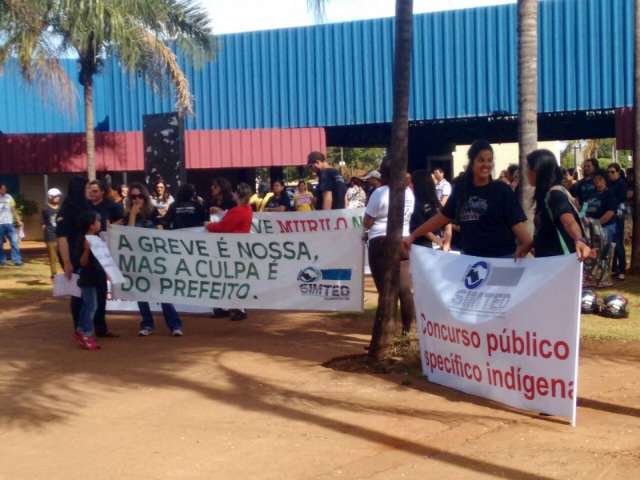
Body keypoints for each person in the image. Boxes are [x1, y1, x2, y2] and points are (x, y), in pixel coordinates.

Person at [406, 140, 532, 258]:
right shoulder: (461, 189)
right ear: (472, 162)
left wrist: (526, 243)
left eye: (490, 160)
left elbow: (516, 222)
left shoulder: (502, 190)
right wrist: (413, 235)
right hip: (470, 260)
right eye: (481, 160)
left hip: (500, 258)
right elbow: (442, 217)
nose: (486, 165)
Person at [364, 161, 415, 335]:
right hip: (403, 241)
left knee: (385, 291)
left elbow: (367, 222)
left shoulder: (379, 192)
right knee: (405, 289)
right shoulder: (408, 192)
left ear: (384, 174)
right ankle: (408, 332)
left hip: (380, 241)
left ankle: (385, 335)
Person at [127, 183, 183, 336]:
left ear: (145, 197)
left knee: (162, 293)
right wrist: (132, 215)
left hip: (155, 260)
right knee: (141, 294)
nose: (137, 199)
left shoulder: (153, 212)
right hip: (138, 261)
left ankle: (175, 325)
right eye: (133, 197)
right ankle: (147, 324)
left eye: (140, 196)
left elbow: (160, 231)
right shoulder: (128, 214)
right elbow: (128, 236)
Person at [518, 150, 590, 260]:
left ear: (537, 170)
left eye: (528, 167)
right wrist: (532, 244)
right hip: (549, 262)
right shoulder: (546, 195)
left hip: (558, 264)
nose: (526, 172)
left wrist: (579, 240)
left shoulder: (555, 195)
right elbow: (550, 230)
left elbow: (569, 222)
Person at [207, 183, 254, 321]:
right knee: (233, 277)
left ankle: (236, 308)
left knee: (229, 277)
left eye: (235, 193)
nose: (233, 194)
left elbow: (223, 227)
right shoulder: (247, 209)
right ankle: (233, 307)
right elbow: (230, 218)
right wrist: (221, 212)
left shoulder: (238, 211)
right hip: (238, 247)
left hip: (231, 248)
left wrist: (208, 225)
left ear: (238, 195)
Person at [56, 177, 94, 332]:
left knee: (88, 293)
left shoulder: (86, 206)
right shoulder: (66, 209)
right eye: (86, 188)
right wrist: (67, 262)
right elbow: (62, 238)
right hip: (73, 255)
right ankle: (79, 327)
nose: (89, 192)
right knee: (78, 293)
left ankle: (87, 325)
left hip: (86, 253)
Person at [87, 179, 123, 338]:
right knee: (86, 292)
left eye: (95, 191)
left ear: (102, 192)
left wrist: (110, 227)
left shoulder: (111, 205)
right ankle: (85, 327)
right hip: (86, 251)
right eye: (89, 190)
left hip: (104, 251)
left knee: (101, 291)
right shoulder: (84, 206)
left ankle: (100, 328)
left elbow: (121, 219)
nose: (91, 193)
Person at [74, 211, 104, 351]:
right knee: (92, 306)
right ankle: (87, 334)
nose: (100, 223)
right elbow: (82, 262)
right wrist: (86, 250)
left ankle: (80, 330)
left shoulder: (96, 237)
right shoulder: (84, 239)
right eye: (98, 221)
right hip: (87, 278)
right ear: (91, 225)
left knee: (87, 305)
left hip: (95, 277)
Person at [410, 170, 451, 249]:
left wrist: (439, 241)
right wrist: (446, 242)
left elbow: (421, 226)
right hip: (437, 245)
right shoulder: (436, 202)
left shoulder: (417, 204)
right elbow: (447, 223)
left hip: (423, 246)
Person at [586, 170, 618, 246]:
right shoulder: (591, 192)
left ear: (605, 180)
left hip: (604, 227)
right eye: (595, 179)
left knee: (603, 252)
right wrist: (581, 218)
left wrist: (596, 224)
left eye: (600, 179)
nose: (597, 181)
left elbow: (610, 212)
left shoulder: (609, 193)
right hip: (590, 227)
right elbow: (584, 206)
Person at [607, 163, 627, 279]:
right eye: (608, 172)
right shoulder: (609, 183)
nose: (610, 174)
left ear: (618, 172)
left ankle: (622, 270)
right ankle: (615, 268)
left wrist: (616, 213)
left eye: (613, 172)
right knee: (611, 243)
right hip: (609, 216)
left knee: (618, 243)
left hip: (617, 216)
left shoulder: (621, 184)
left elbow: (622, 202)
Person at [0, 183, 23, 267]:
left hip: (9, 223)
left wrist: (18, 220)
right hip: (0, 224)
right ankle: (2, 261)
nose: (4, 190)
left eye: (5, 189)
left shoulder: (9, 197)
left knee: (14, 242)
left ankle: (17, 260)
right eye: (2, 189)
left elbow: (13, 209)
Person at [42, 188, 62, 278]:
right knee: (53, 257)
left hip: (61, 235)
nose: (58, 198)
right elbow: (43, 224)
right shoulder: (45, 209)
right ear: (50, 197)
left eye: (58, 196)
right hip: (50, 235)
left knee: (63, 255)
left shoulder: (62, 208)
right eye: (56, 196)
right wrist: (46, 237)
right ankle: (54, 274)